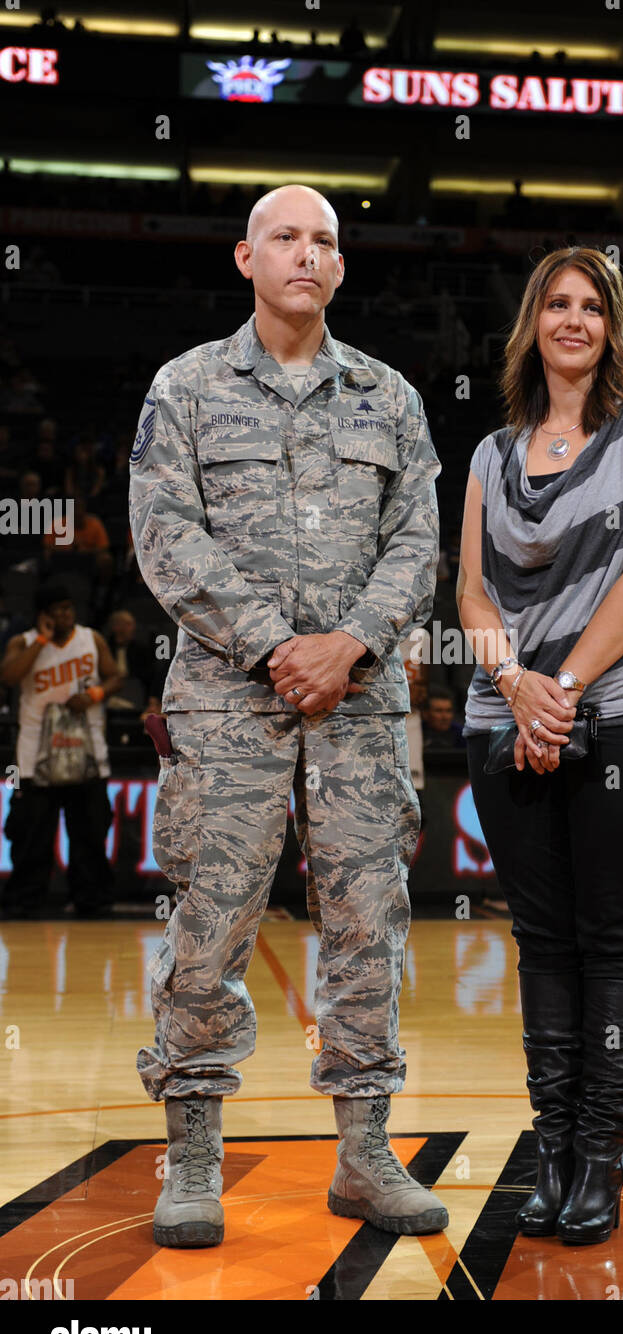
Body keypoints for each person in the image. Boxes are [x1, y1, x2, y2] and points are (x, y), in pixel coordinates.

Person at [128, 184, 445, 1248]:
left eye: (324, 240)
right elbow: (166, 537)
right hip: (228, 709)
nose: (305, 254)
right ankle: (192, 1160)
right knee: (207, 931)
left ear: (341, 267)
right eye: (285, 238)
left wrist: (348, 644)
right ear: (245, 258)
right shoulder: (184, 387)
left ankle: (363, 1157)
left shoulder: (391, 397)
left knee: (368, 930)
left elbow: (417, 547)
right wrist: (275, 645)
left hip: (357, 712)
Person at [458, 246, 623, 1244]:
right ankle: (552, 1148)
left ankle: (601, 1153)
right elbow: (471, 592)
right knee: (540, 940)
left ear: (612, 326)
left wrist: (556, 690)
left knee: (609, 934)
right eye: (555, 303)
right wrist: (513, 683)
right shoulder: (488, 452)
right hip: (504, 715)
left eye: (591, 306)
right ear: (533, 322)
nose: (572, 319)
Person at [0, 584, 122, 919]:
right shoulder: (23, 643)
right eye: (57, 609)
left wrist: (95, 694)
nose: (64, 615)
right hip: (34, 761)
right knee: (31, 840)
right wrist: (41, 640)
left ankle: (92, 901)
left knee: (89, 836)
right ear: (43, 615)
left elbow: (116, 678)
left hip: (87, 756)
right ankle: (26, 902)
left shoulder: (91, 639)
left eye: (68, 608)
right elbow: (9, 676)